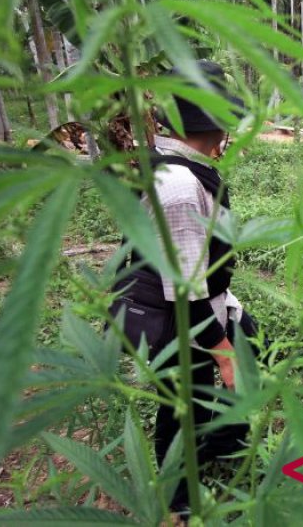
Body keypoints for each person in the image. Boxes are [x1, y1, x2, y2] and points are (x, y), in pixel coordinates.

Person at [110, 60, 260, 510]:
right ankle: (177, 503)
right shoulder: (176, 183)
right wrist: (223, 351)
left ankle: (222, 444)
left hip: (207, 303)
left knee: (249, 350)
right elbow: (184, 286)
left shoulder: (183, 167)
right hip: (178, 316)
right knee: (181, 407)